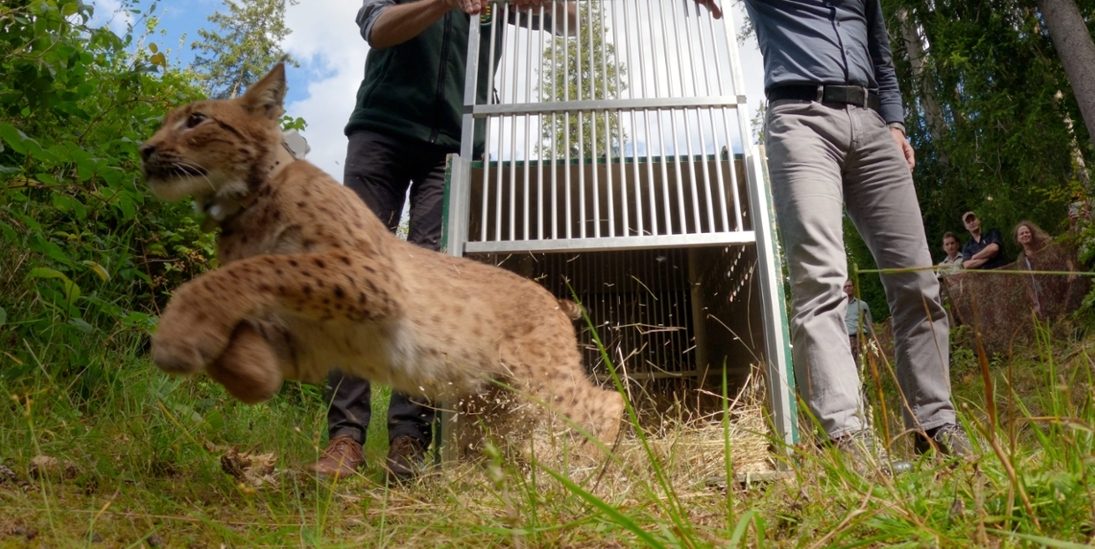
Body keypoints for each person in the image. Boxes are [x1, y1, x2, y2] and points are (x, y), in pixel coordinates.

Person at [308, 0, 577, 481]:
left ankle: (409, 438)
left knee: (428, 294)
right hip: (382, 130)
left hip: (455, 143)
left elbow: (568, 20)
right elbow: (376, 28)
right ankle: (345, 438)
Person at [742, 0, 971, 469]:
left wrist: (896, 123)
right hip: (801, 119)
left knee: (918, 281)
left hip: (871, 126)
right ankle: (843, 435)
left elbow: (880, 54)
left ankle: (934, 425)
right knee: (821, 280)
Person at [1013, 220, 1083, 320]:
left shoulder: (1046, 244)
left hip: (1063, 280)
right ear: (1018, 239)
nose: (1025, 235)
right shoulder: (1021, 259)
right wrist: (1035, 303)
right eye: (1021, 234)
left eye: (1027, 232)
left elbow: (1064, 255)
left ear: (1031, 233)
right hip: (1046, 291)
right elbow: (1027, 282)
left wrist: (1071, 270)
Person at [843, 279, 873, 369]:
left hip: (860, 337)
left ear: (853, 287)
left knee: (862, 365)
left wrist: (870, 341)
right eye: (845, 286)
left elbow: (869, 324)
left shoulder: (862, 304)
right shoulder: (839, 307)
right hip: (846, 339)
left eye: (850, 286)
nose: (848, 288)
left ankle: (864, 383)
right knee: (847, 365)